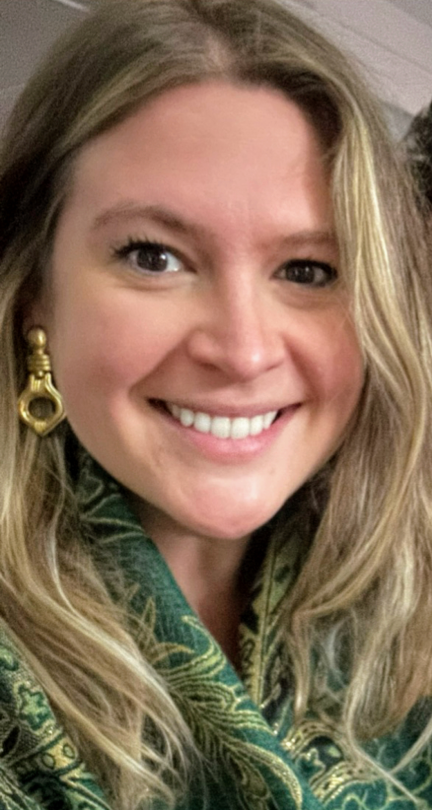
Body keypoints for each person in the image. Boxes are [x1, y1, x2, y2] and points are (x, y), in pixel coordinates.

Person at [0, 0, 431, 808]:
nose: (243, 350)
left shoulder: (408, 601)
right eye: (154, 256)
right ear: (35, 298)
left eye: (307, 270)